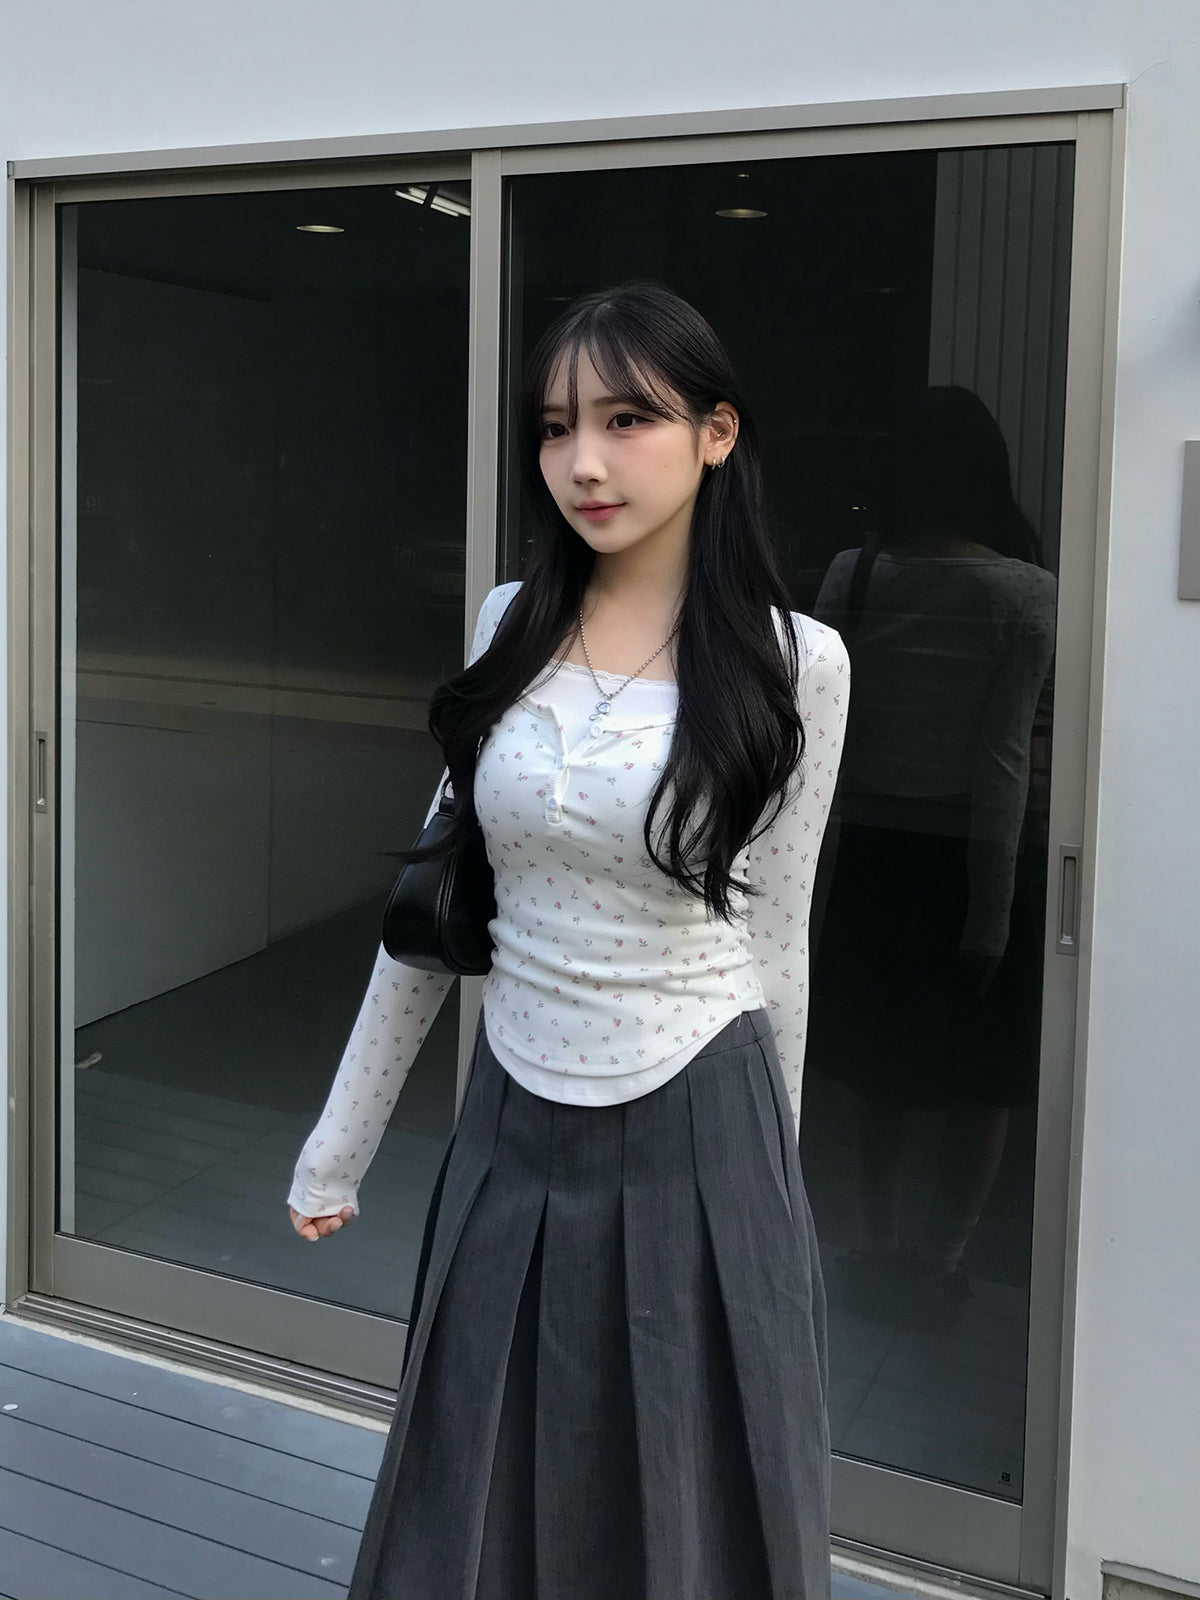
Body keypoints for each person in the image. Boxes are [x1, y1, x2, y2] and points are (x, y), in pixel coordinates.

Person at [286, 280, 850, 1600]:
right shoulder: (510, 622)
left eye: (626, 420)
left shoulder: (797, 662)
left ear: (717, 434)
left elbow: (777, 939)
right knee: (476, 1474)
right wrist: (339, 1140)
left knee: (682, 1505)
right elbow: (433, 905)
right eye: (555, 427)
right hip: (511, 1116)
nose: (583, 462)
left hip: (699, 1118)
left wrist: (774, 1192)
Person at [809, 385, 1056, 1327]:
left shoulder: (853, 575)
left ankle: (874, 1249)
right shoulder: (1025, 594)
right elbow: (1002, 762)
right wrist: (991, 911)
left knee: (882, 1068)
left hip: (875, 859)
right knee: (980, 1079)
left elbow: (820, 736)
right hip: (977, 855)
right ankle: (940, 1266)